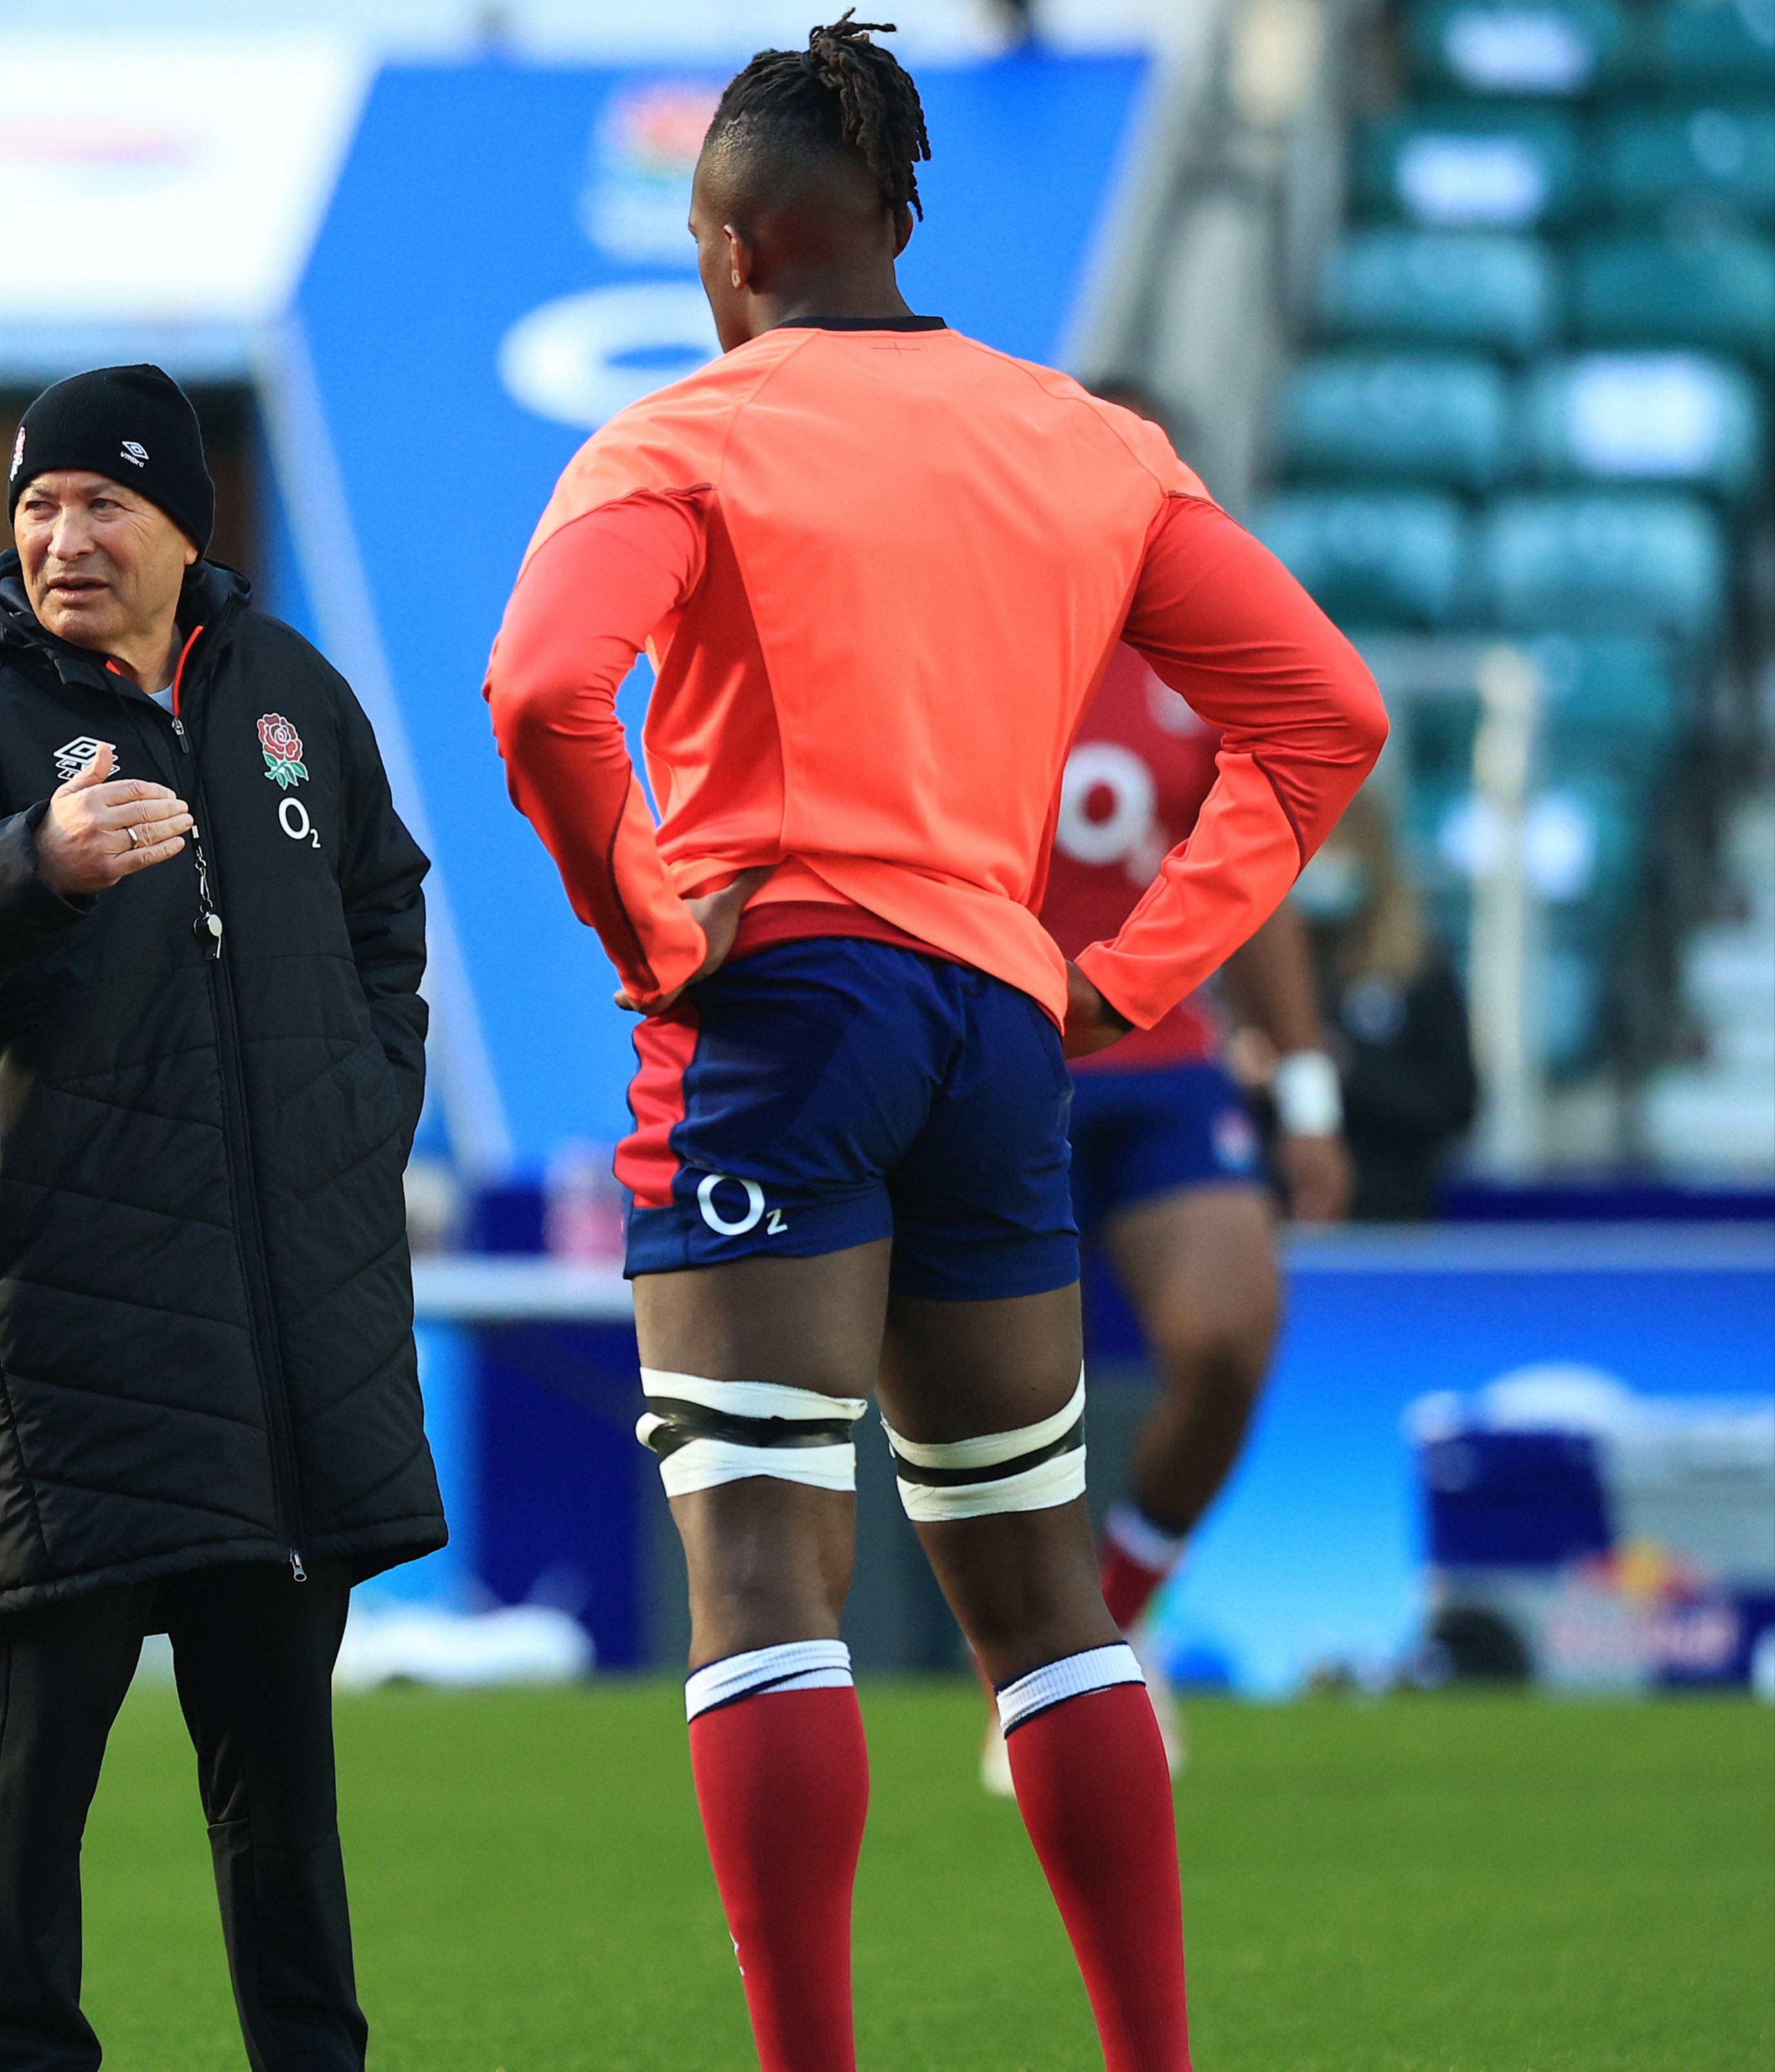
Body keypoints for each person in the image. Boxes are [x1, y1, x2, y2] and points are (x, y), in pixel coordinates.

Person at [482, 23, 1386, 2072]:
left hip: (777, 1007)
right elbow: (1325, 713)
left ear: (725, 250)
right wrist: (1132, 969)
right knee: (1041, 1603)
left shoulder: (683, 437)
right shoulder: (1086, 441)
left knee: (766, 1568)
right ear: (901, 221)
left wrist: (643, 923)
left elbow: (544, 685)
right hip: (1000, 1030)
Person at [0, 363, 443, 2072]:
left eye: (103, 503)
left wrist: (362, 1106)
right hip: (62, 1324)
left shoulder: (291, 691)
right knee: (31, 1787)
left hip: (279, 1323)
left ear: (183, 522)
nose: (63, 536)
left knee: (282, 1787)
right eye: (37, 505)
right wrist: (34, 861)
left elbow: (385, 910)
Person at [995, 382, 1361, 1792]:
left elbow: (1257, 877)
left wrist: (1308, 1093)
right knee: (1004, 1400)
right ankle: (1039, 1671)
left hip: (1157, 1060)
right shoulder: (975, 618)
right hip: (998, 1062)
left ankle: (1112, 1618)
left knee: (1224, 1334)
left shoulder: (1199, 649)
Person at [1296, 787, 1477, 1216]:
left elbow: (1455, 1102)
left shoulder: (1419, 969)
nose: (1324, 862)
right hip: (1278, 1217)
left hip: (1389, 1218)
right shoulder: (1263, 968)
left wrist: (1347, 1066)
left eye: (1338, 844)